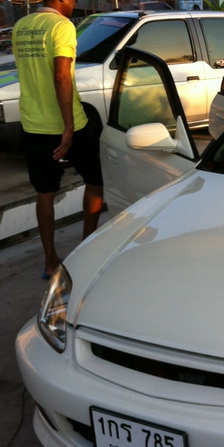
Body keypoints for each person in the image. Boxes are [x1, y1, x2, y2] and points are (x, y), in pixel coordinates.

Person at [12, 0, 104, 279]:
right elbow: (61, 76)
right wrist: (68, 128)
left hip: (33, 125)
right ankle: (86, 251)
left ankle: (50, 262)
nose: (74, 3)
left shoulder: (20, 26)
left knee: (45, 193)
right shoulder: (61, 26)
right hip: (69, 123)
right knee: (95, 181)